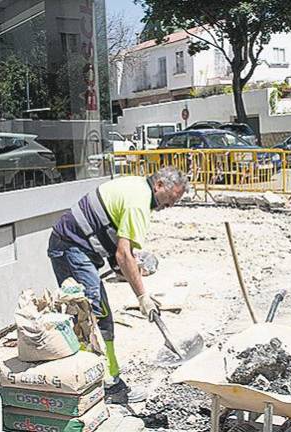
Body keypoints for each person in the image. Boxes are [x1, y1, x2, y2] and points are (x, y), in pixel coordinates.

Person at [47, 166, 188, 403]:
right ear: (160, 185)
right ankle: (105, 385)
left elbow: (115, 244)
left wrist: (129, 266)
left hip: (71, 246)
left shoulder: (136, 189)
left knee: (84, 318)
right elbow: (124, 255)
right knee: (94, 316)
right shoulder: (139, 203)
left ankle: (91, 381)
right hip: (71, 248)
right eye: (171, 199)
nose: (170, 206)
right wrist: (142, 296)